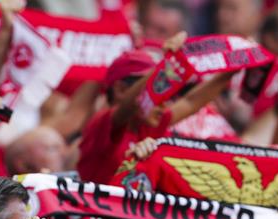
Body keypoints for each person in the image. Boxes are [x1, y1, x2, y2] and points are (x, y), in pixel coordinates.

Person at [76, 36, 235, 183]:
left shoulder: (149, 124)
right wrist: (169, 63)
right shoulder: (100, 125)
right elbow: (130, 105)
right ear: (121, 90)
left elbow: (191, 101)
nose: (165, 101)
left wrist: (234, 66)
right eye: (158, 88)